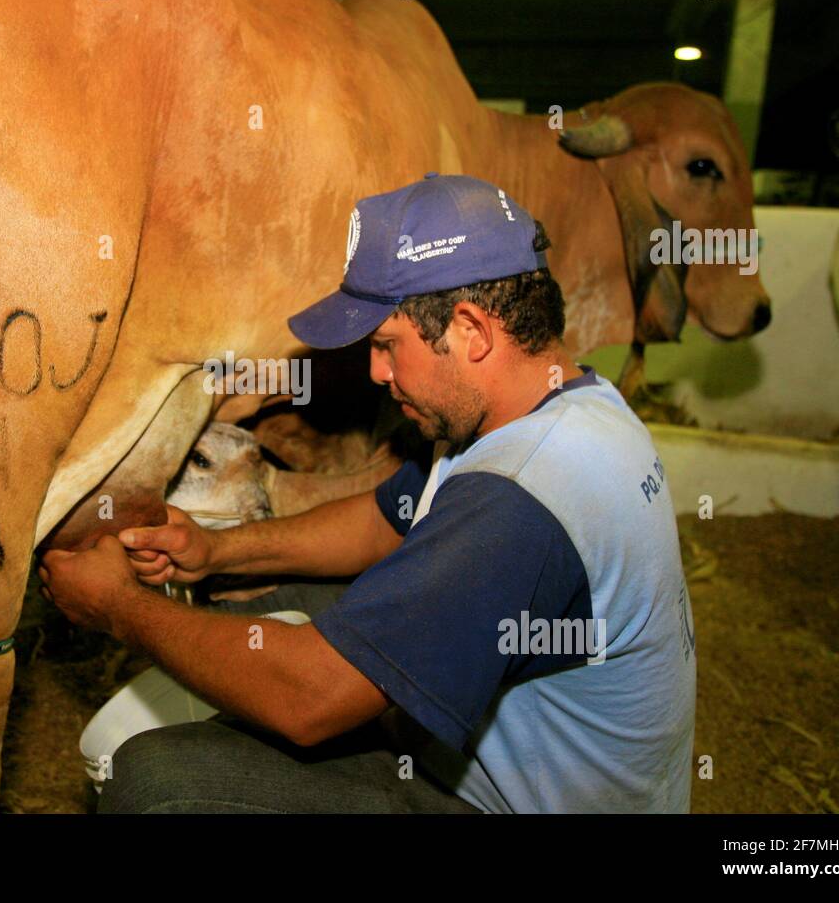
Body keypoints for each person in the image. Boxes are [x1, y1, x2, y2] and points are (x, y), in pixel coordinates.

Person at [39, 173, 696, 813]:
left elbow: (310, 702)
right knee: (272, 610)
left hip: (494, 801)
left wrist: (117, 607)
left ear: (471, 330)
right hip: (495, 766)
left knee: (158, 781)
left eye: (387, 346)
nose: (377, 373)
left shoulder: (522, 496)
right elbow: (390, 519)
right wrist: (215, 551)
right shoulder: (556, 405)